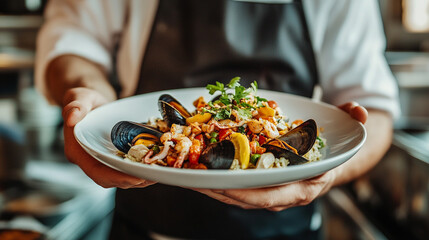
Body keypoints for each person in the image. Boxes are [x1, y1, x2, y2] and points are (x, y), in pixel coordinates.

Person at [35, 0, 400, 239]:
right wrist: (86, 91)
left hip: (288, 232)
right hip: (148, 228)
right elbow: (73, 42)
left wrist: (332, 171)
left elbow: (374, 112)